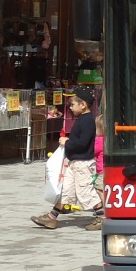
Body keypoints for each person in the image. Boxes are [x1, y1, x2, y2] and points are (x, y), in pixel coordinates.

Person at [31, 87, 103, 230]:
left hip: (83, 164)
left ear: (83, 105)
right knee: (65, 190)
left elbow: (82, 143)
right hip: (75, 162)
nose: (70, 108)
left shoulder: (87, 121)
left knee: (85, 191)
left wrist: (67, 142)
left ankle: (101, 217)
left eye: (72, 105)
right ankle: (52, 217)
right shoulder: (83, 119)